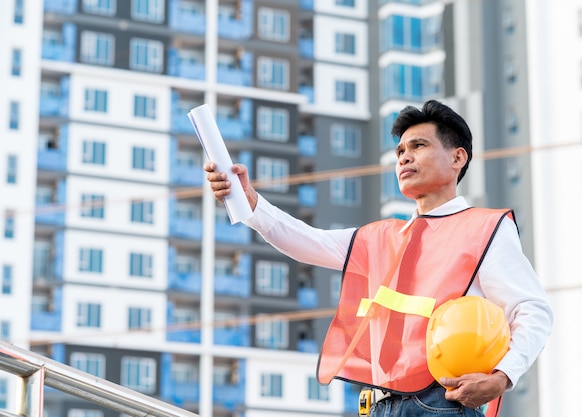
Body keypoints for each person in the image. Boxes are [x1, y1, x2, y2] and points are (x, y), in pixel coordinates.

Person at [204, 100, 553, 417]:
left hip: (441, 404)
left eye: (419, 146)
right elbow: (307, 242)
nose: (403, 157)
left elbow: (533, 309)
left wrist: (503, 377)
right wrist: (251, 202)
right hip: (379, 405)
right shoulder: (382, 238)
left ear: (457, 158)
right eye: (400, 150)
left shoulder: (484, 228)